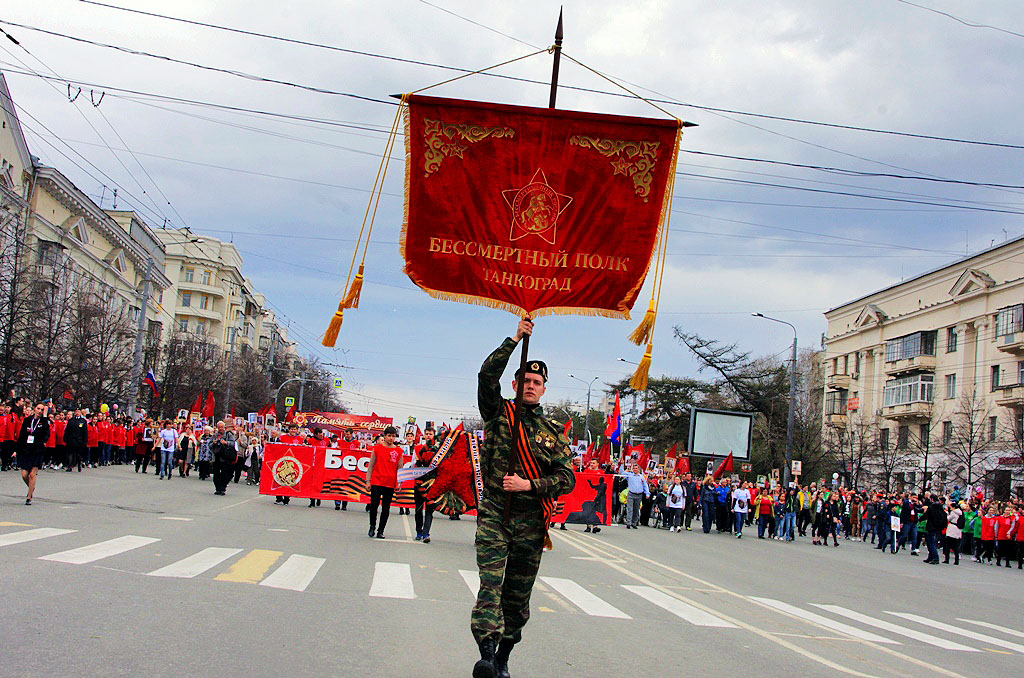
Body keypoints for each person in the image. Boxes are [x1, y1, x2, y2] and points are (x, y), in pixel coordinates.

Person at [471, 320, 575, 678]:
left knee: (516, 600)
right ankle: (485, 653)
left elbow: (567, 478)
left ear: (544, 389)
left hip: (531, 523)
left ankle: (503, 656)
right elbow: (486, 376)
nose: (530, 387)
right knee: (490, 584)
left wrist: (530, 485)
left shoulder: (553, 433)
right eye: (525, 382)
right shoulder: (499, 413)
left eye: (536, 383)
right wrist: (515, 339)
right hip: (497, 515)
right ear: (515, 385)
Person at [365, 425, 402, 538]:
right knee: (374, 505)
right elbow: (371, 466)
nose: (391, 438)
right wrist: (368, 481)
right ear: (384, 436)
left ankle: (381, 530)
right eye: (389, 436)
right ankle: (372, 526)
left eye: (393, 436)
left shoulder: (398, 451)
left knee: (386, 508)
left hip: (390, 483)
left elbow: (400, 468)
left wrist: (399, 483)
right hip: (377, 481)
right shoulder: (377, 449)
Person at [17, 401, 50, 505]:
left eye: (41, 409)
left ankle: (29, 496)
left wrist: (45, 416)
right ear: (34, 409)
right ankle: (32, 487)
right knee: (24, 474)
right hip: (27, 450)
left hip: (37, 450)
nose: (39, 411)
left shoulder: (43, 421)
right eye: (38, 409)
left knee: (32, 474)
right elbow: (22, 436)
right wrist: (16, 450)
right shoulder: (27, 420)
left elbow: (46, 432)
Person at [414, 426, 438, 541]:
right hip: (419, 482)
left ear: (434, 436)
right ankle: (419, 531)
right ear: (424, 435)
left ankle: (426, 533)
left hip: (432, 484)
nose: (428, 436)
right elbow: (413, 464)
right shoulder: (417, 448)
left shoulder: (438, 450)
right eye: (427, 434)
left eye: (431, 434)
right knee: (418, 508)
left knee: (429, 509)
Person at [211, 420, 237, 496]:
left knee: (224, 473)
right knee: (216, 473)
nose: (220, 428)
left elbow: (233, 443)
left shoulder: (229, 435)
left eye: (222, 427)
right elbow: (209, 444)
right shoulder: (214, 435)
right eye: (219, 427)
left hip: (225, 457)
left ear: (224, 427)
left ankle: (222, 488)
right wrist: (213, 443)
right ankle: (217, 488)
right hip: (216, 456)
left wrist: (226, 443)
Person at [622, 462, 649, 529]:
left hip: (639, 494)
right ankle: (628, 523)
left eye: (636, 468)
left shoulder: (642, 477)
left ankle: (634, 523)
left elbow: (645, 485)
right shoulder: (630, 475)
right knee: (629, 509)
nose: (635, 469)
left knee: (636, 509)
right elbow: (622, 473)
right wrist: (622, 464)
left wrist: (647, 493)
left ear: (639, 469)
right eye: (634, 468)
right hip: (631, 494)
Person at [64, 409, 88, 473]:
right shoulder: (71, 421)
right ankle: (70, 466)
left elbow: (85, 432)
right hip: (71, 440)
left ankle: (79, 465)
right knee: (70, 453)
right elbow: (67, 430)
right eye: (76, 412)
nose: (77, 413)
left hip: (79, 441)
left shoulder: (83, 421)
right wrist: (65, 438)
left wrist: (85, 441)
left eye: (78, 412)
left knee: (78, 455)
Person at [944, 500, 963, 565]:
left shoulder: (953, 513)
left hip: (952, 529)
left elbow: (948, 519)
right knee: (956, 546)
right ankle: (956, 560)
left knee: (948, 545)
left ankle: (947, 559)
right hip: (958, 530)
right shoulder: (961, 513)